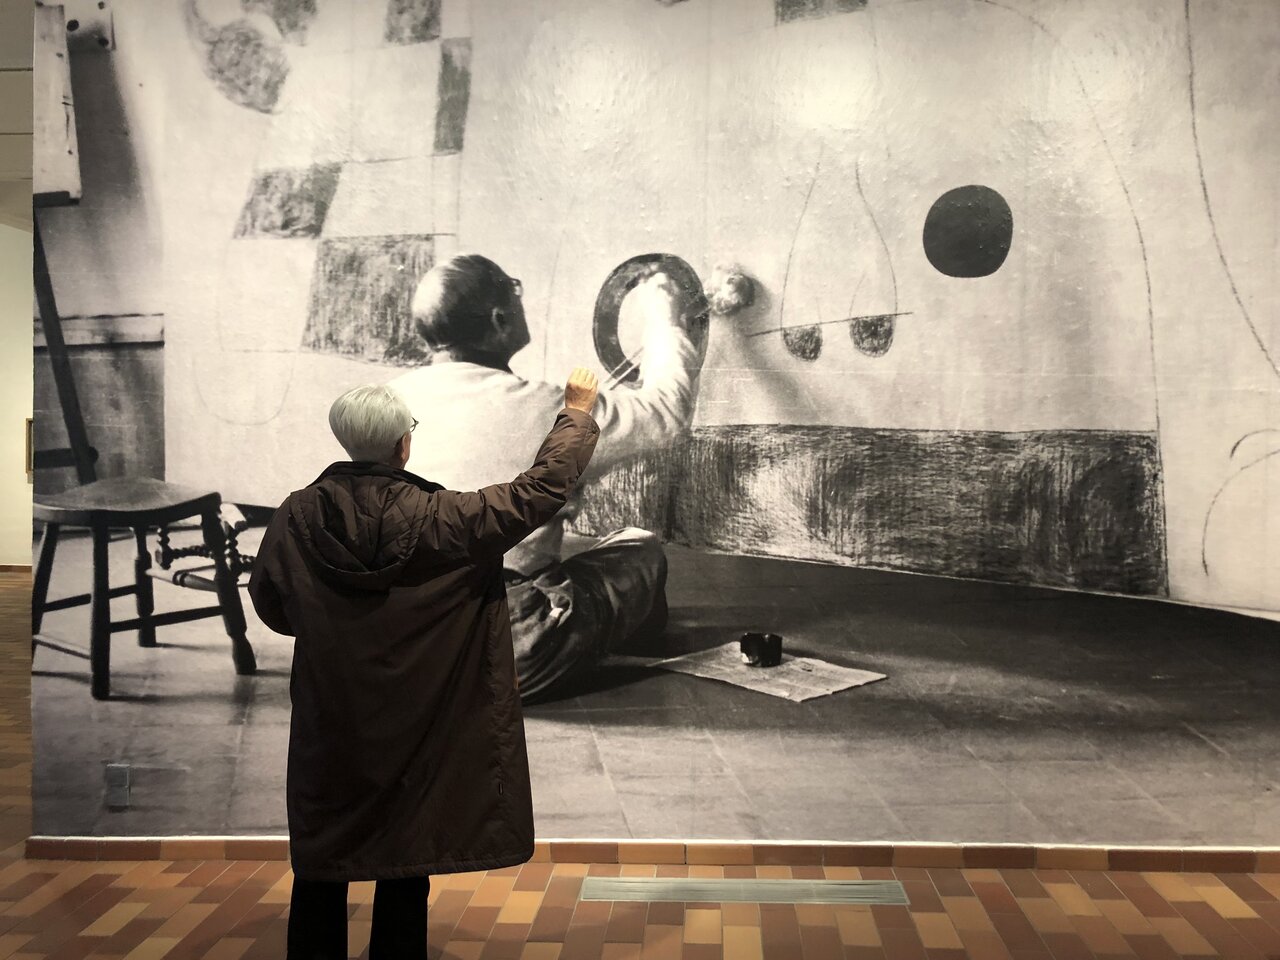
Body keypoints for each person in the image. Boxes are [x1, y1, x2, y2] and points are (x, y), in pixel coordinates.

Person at [247, 370, 601, 960]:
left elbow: (270, 602)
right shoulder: (444, 517)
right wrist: (577, 413)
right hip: (419, 717)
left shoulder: (294, 517)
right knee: (406, 852)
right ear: (402, 444)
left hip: (331, 716)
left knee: (324, 855)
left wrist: (335, 635)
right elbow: (537, 492)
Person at [388, 254, 702, 701]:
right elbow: (664, 415)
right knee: (641, 550)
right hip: (504, 651)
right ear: (499, 319)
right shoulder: (543, 406)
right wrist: (665, 322)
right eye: (513, 290)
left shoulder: (387, 400)